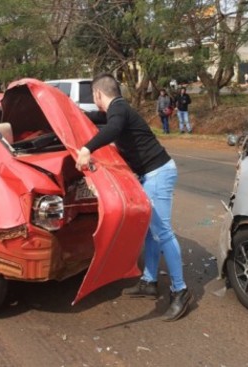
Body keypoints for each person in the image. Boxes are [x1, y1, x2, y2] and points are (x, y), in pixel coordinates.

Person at [75, 73, 192, 322]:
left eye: (94, 98)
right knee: (150, 232)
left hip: (158, 173)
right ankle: (149, 282)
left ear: (97, 94)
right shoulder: (120, 110)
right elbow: (107, 126)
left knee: (163, 233)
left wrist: (86, 149)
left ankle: (180, 291)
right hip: (151, 174)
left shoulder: (118, 110)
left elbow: (113, 128)